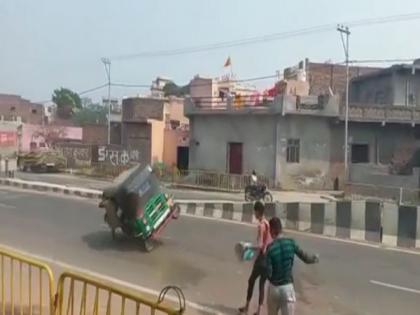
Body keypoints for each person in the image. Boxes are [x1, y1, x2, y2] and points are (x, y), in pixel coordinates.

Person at [265, 217, 319, 315]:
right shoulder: (291, 243)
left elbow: (268, 273)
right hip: (287, 289)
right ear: (281, 228)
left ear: (272, 230)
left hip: (274, 289)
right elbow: (306, 258)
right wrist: (314, 258)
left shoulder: (270, 248)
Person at [239, 201, 272, 315]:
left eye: (255, 211)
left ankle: (247, 307)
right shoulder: (267, 223)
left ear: (258, 211)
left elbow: (260, 245)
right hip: (268, 258)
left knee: (251, 281)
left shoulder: (261, 226)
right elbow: (268, 242)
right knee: (262, 284)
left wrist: (247, 246)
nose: (254, 214)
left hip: (262, 258)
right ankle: (259, 310)